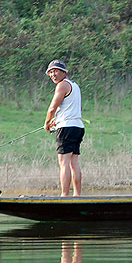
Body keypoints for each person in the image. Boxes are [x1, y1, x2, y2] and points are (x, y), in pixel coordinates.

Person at [43, 59, 84, 196]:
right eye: (50, 72)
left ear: (63, 72)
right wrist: (57, 119)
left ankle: (64, 195)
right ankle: (77, 195)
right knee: (74, 162)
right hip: (77, 126)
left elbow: (52, 108)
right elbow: (69, 108)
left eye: (56, 71)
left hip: (67, 128)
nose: (53, 74)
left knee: (64, 162)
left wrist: (47, 123)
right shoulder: (74, 85)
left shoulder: (62, 85)